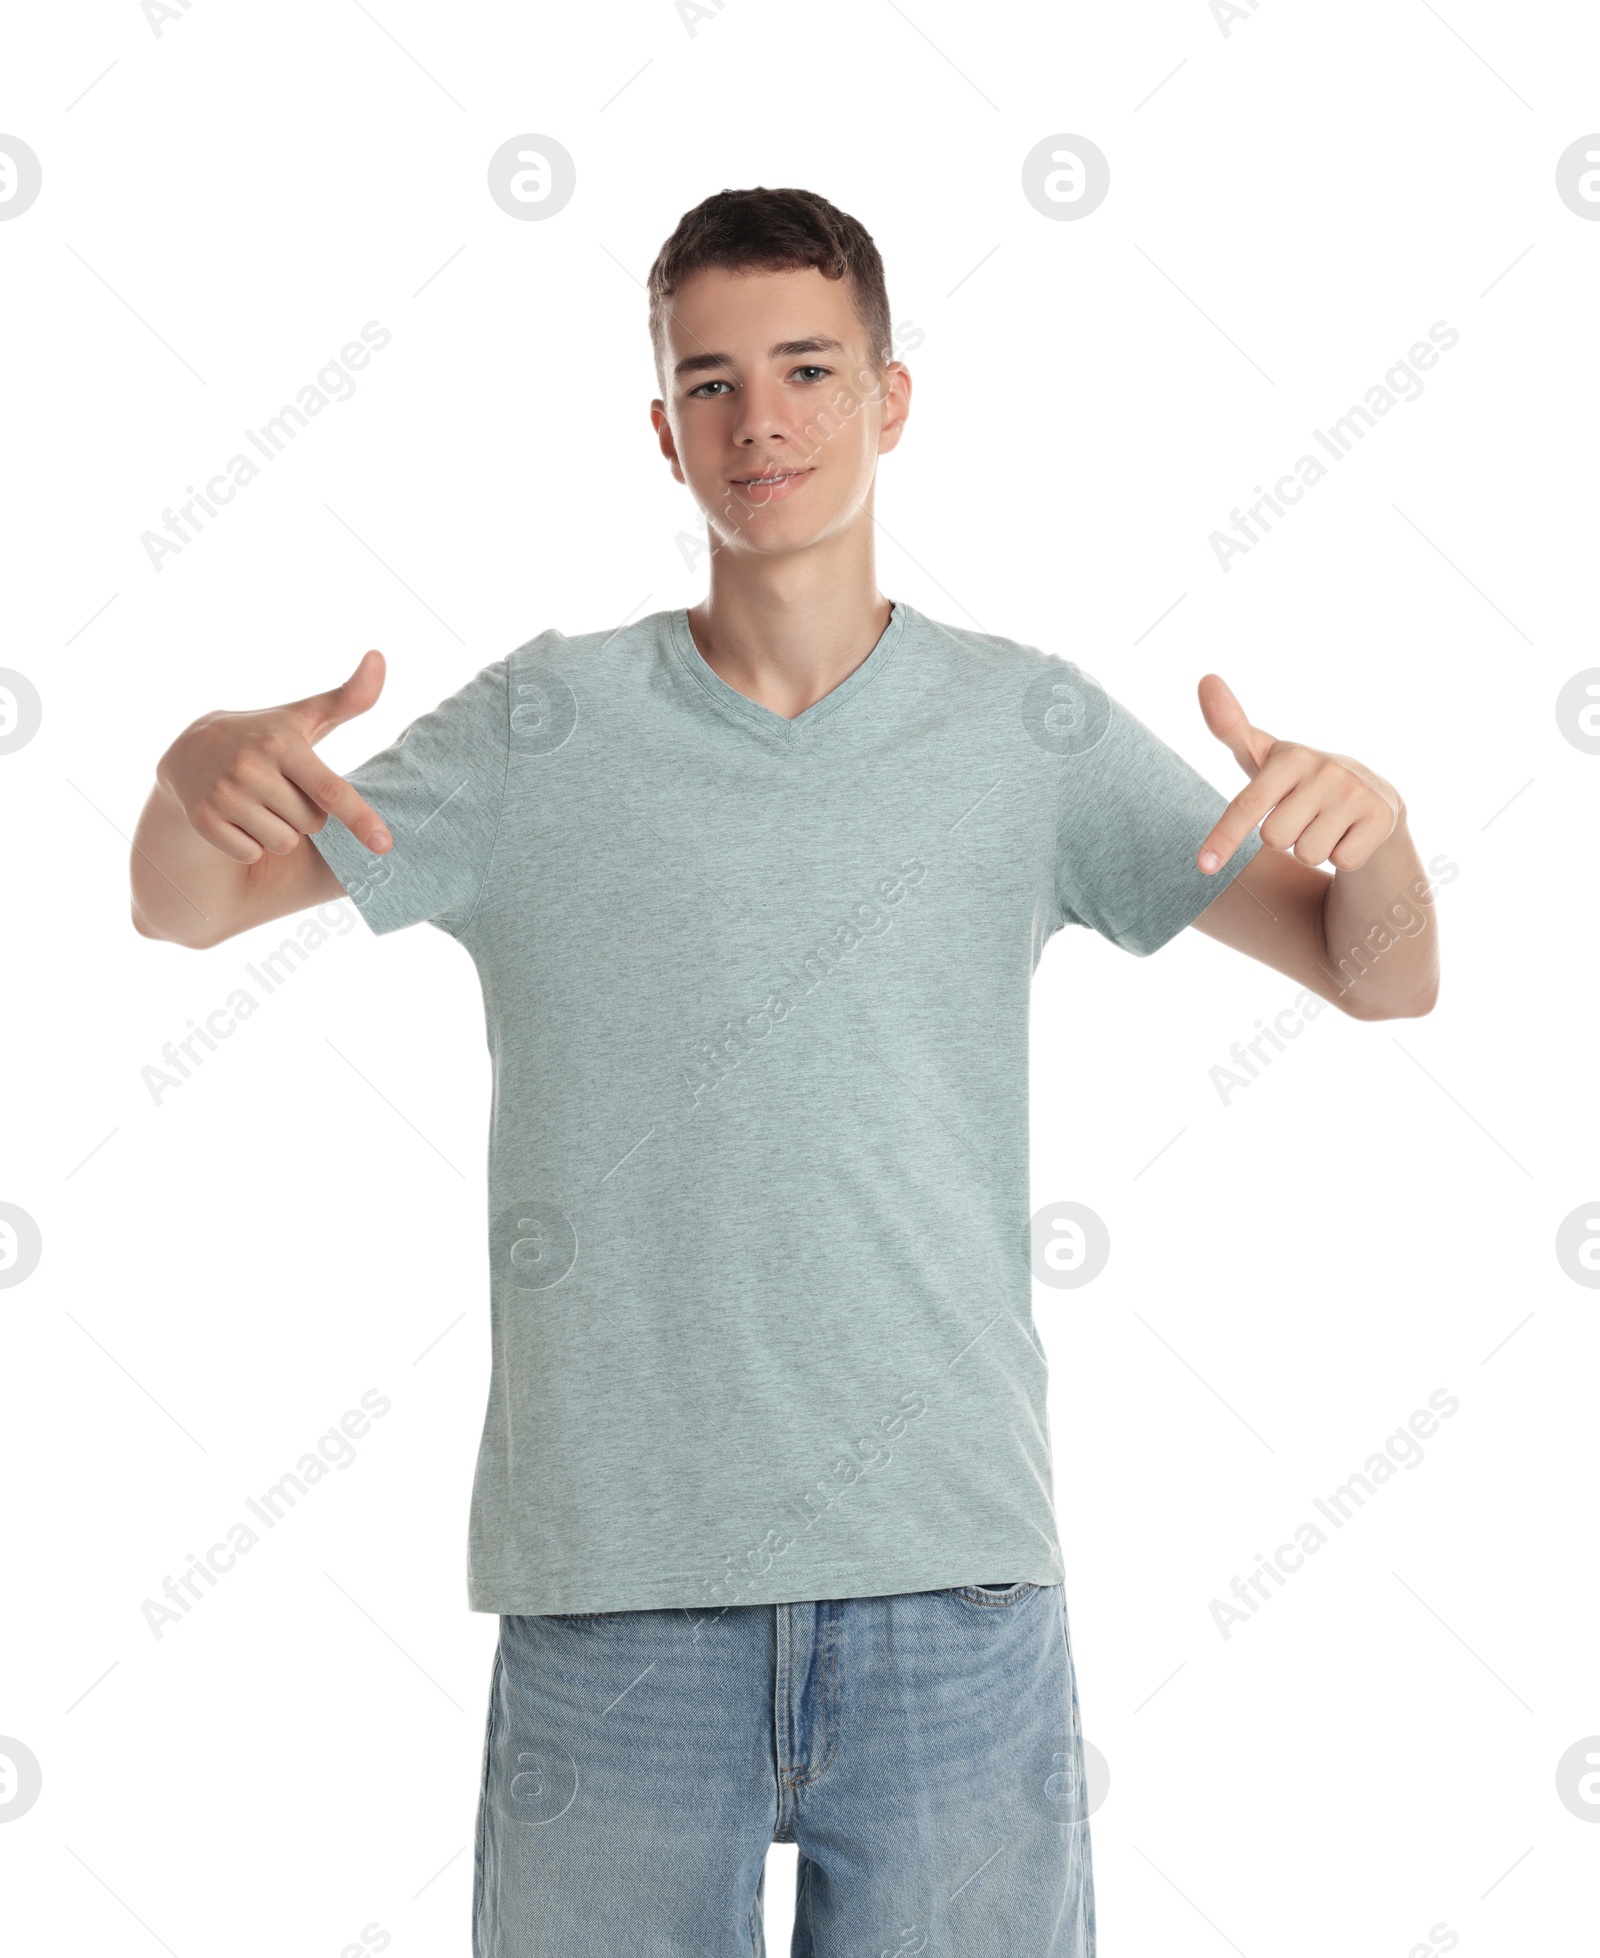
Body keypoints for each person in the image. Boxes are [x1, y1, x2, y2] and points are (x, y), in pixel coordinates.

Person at [130, 186, 1439, 1957]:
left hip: (952, 1601)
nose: (764, 423)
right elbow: (186, 908)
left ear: (893, 396)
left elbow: (1380, 982)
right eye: (714, 380)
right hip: (615, 1610)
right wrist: (192, 762)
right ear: (661, 426)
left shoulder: (1023, 730)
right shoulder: (542, 731)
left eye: (811, 369)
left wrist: (1386, 845)